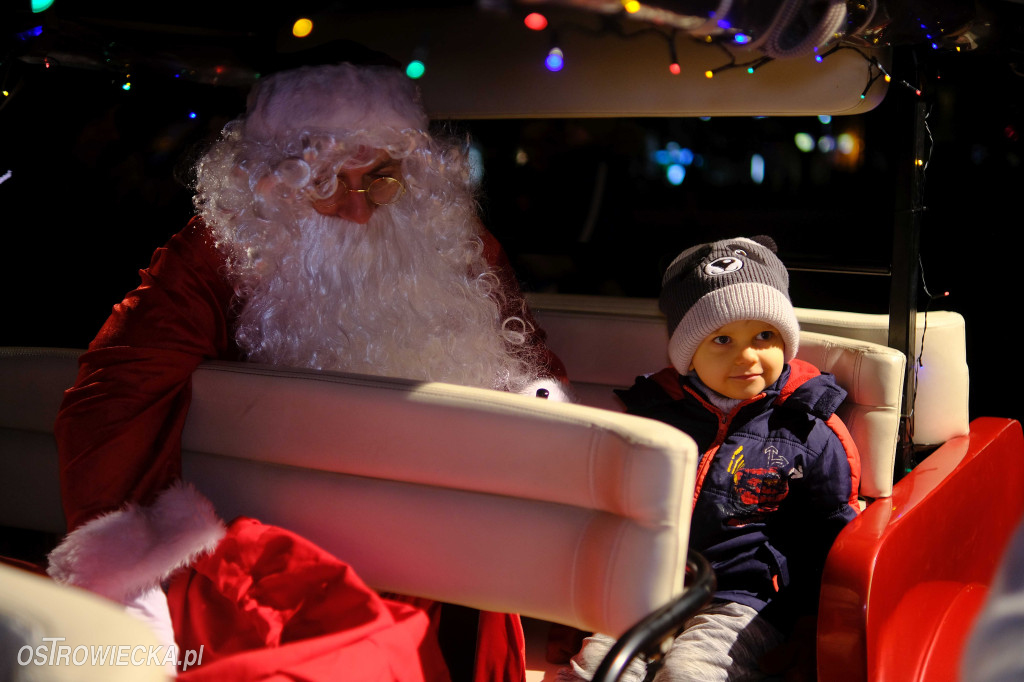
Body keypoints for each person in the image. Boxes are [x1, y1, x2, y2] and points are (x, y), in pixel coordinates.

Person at [45, 60, 569, 681]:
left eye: (380, 179)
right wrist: (127, 581)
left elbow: (529, 357)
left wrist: (539, 423)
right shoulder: (218, 252)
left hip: (456, 557)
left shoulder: (450, 236)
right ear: (273, 184)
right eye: (324, 182)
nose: (358, 210)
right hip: (291, 573)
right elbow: (113, 395)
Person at [558, 235, 860, 681]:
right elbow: (611, 506)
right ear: (688, 355)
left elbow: (832, 529)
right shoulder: (652, 413)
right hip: (650, 585)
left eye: (765, 335)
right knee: (598, 668)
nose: (748, 355)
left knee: (689, 673)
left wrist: (813, 623)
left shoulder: (806, 426)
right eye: (722, 339)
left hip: (748, 597)